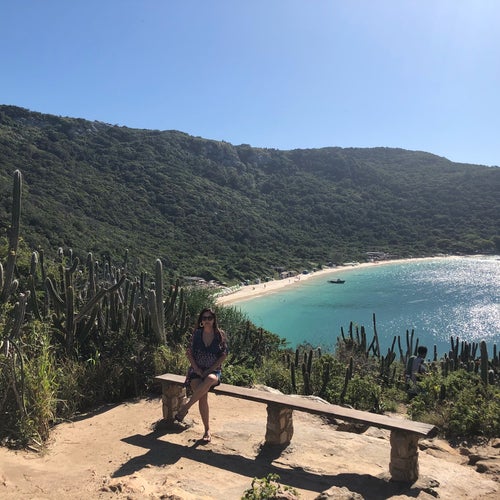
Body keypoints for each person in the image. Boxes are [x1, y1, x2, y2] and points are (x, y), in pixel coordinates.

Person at [175, 308, 228, 442]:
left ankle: (185, 408)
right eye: (204, 318)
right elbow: (189, 353)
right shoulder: (197, 334)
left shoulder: (219, 335)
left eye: (210, 318)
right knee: (202, 397)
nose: (207, 320)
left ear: (214, 320)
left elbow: (223, 355)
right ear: (201, 320)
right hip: (196, 371)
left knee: (209, 379)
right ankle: (207, 430)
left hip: (213, 371)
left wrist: (210, 369)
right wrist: (197, 369)